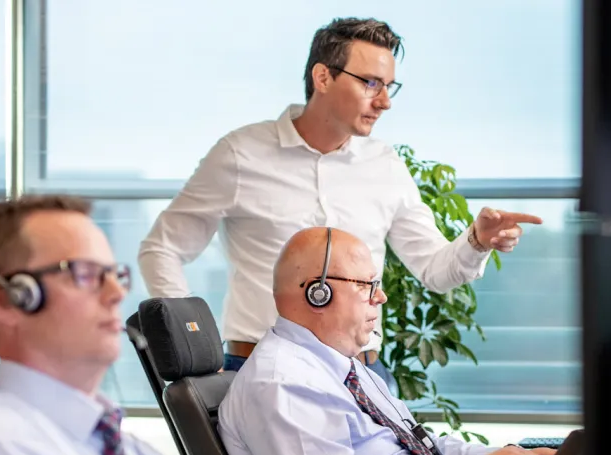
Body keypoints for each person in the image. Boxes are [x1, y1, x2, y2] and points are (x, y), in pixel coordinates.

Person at [137, 17, 544, 383]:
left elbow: (434, 270)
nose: (384, 101)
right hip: (260, 372)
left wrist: (476, 241)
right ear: (323, 77)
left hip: (363, 374)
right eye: (370, 83)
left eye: (389, 87)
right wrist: (192, 347)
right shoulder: (240, 154)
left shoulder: (384, 165)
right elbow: (162, 248)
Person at [217, 227, 556, 455]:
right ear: (318, 293)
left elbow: (420, 444)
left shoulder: (342, 367)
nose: (380, 297)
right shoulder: (285, 382)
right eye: (367, 284)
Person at [0, 195, 206, 455]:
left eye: (114, 275)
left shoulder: (129, 452)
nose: (117, 293)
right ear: (5, 299)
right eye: (84, 273)